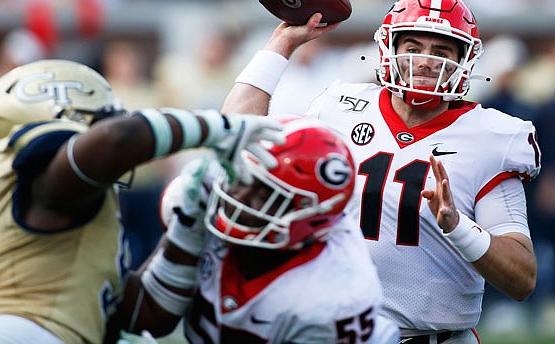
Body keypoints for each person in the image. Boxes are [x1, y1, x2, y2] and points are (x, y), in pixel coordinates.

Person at [220, 0, 541, 343]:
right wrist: (282, 44)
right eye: (413, 48)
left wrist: (456, 226)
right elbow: (237, 129)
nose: (424, 61)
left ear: (465, 60)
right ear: (389, 48)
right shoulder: (340, 107)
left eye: (441, 51)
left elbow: (522, 278)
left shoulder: (491, 137)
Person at [0, 59, 284, 344]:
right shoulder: (37, 167)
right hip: (23, 331)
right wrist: (217, 128)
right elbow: (116, 139)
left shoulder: (45, 227)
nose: (114, 125)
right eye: (102, 119)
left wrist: (189, 221)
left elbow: (147, 313)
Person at [105, 117, 401, 344]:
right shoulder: (205, 195)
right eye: (242, 179)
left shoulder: (335, 297)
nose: (239, 199)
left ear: (308, 215)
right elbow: (153, 312)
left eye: (263, 195)